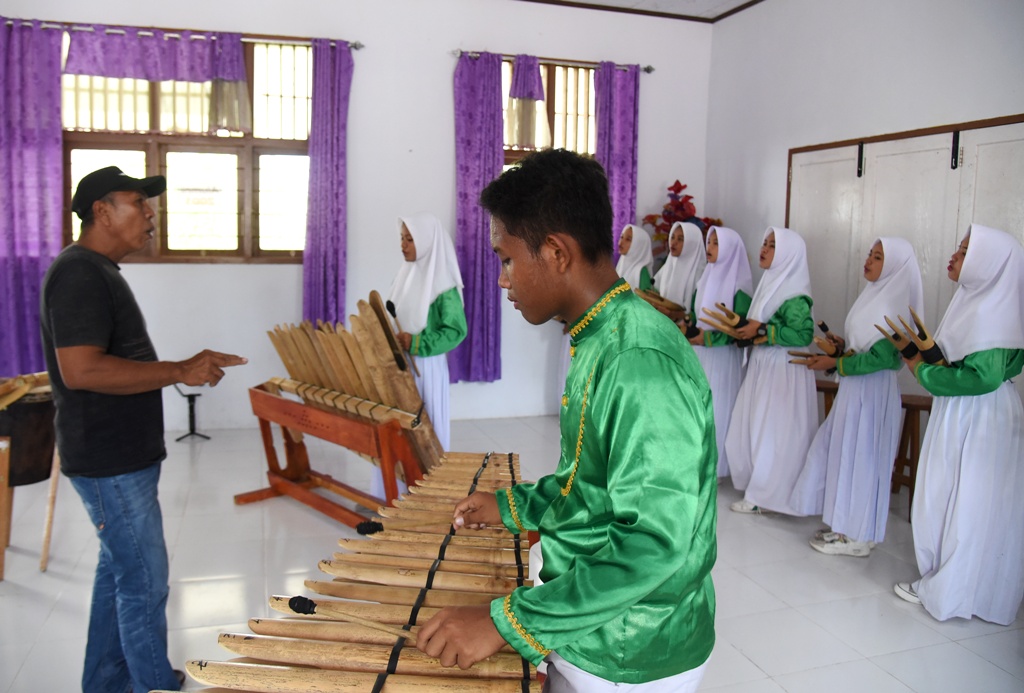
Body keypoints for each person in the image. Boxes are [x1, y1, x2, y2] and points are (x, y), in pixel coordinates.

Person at [414, 149, 718, 692]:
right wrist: (512, 506)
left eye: (506, 259)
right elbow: (590, 485)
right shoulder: (598, 336)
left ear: (555, 252)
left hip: (629, 644)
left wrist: (508, 622)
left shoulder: (638, 363)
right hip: (589, 622)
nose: (503, 280)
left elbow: (652, 541)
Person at [39, 166, 247, 693]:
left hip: (118, 456)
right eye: (139, 202)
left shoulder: (95, 269)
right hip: (110, 461)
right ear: (102, 212)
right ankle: (155, 685)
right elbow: (81, 370)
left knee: (120, 574)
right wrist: (179, 370)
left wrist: (181, 367)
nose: (151, 213)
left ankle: (107, 683)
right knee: (143, 582)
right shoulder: (80, 274)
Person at [893, 224, 1024, 625]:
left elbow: (981, 378)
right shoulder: (979, 302)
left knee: (967, 499)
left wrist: (922, 371)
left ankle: (950, 588)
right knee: (963, 497)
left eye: (965, 251)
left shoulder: (989, 311)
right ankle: (969, 586)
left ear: (987, 265)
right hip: (974, 409)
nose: (954, 255)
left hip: (978, 412)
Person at [789, 238, 923, 556]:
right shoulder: (874, 297)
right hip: (857, 388)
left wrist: (836, 362)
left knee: (863, 459)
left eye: (878, 257)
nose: (869, 260)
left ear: (893, 266)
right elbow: (865, 348)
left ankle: (859, 535)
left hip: (873, 392)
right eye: (870, 254)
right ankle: (847, 525)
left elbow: (883, 359)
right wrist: (841, 346)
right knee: (846, 454)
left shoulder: (894, 306)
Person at [725, 227, 816, 515]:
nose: (764, 248)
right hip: (764, 364)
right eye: (764, 242)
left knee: (774, 432)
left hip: (784, 370)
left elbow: (802, 335)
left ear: (789, 254)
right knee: (756, 426)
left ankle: (765, 495)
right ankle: (759, 488)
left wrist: (763, 330)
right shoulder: (769, 284)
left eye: (772, 245)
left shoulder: (795, 294)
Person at [388, 212, 468, 451]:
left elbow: (455, 331)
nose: (403, 245)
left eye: (409, 239)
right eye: (402, 238)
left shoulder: (444, 285)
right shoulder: (405, 275)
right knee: (399, 432)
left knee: (425, 433)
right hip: (402, 364)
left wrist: (416, 343)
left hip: (426, 367)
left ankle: (427, 485)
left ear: (426, 241)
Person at [687, 226, 753, 480]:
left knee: (718, 408)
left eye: (715, 243)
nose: (710, 247)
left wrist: (710, 338)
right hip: (702, 354)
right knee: (697, 408)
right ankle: (696, 462)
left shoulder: (740, 286)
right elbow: (697, 316)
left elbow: (740, 329)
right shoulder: (704, 279)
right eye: (709, 242)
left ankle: (715, 465)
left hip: (723, 357)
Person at [651, 221, 706, 323]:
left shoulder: (701, 274)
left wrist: (671, 314)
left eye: (680, 239)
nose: (673, 242)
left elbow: (698, 312)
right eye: (672, 237)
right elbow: (655, 291)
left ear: (691, 244)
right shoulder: (668, 266)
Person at [615, 223, 654, 290]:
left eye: (628, 239)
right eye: (621, 237)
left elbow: (644, 298)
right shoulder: (621, 264)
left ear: (638, 244)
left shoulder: (641, 271)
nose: (621, 242)